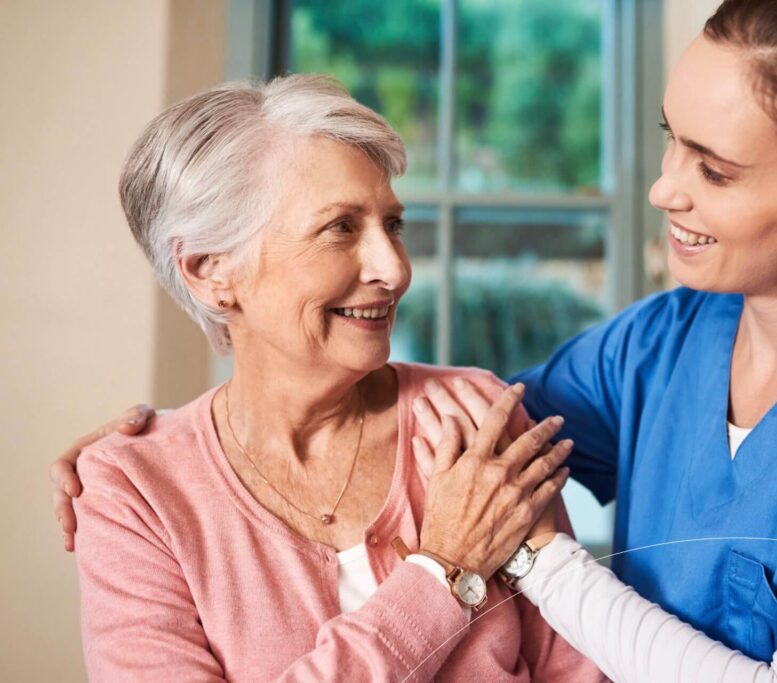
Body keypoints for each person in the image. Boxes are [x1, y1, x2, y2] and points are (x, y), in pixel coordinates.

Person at [53, 0, 777, 681]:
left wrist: (530, 563)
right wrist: (151, 446)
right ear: (205, 269)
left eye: (714, 170)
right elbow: (466, 422)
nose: (660, 189)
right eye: (667, 139)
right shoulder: (657, 344)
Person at [53, 73, 603, 682]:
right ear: (212, 271)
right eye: (340, 227)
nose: (393, 269)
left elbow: (574, 669)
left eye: (393, 225)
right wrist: (443, 569)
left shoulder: (474, 415)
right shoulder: (135, 492)